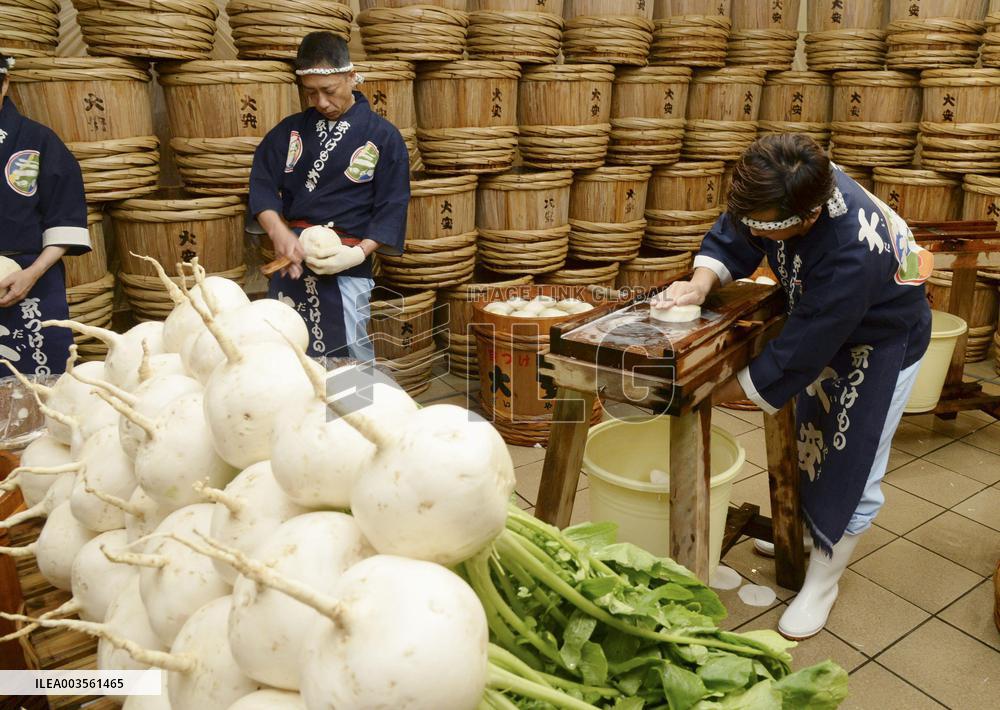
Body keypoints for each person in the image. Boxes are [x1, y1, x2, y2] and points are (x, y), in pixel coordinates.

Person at [655, 134, 933, 640]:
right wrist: (699, 283)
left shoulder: (849, 252)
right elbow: (739, 229)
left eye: (767, 227)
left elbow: (797, 354)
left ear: (808, 217)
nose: (754, 232)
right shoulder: (787, 180)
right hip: (827, 320)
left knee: (853, 461)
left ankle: (823, 582)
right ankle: (806, 535)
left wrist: (704, 389)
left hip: (881, 339)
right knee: (814, 440)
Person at [248, 31, 409, 362]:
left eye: (329, 91)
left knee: (347, 358)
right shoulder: (290, 131)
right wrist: (278, 231)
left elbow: (392, 204)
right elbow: (261, 182)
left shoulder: (383, 136)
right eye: (311, 93)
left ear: (351, 77)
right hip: (293, 261)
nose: (321, 102)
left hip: (346, 262)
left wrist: (358, 253)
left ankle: (352, 398)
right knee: (285, 352)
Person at [0, 53, 91, 375]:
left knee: (38, 383)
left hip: (30, 278)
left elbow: (65, 218)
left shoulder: (38, 141)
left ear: (4, 83)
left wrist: (32, 273)